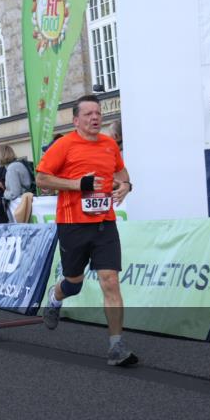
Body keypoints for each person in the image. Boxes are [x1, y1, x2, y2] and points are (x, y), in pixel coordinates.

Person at [36, 95, 136, 367]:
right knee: (74, 284)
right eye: (89, 113)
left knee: (110, 280)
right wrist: (77, 184)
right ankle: (55, 297)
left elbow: (122, 174)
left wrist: (126, 185)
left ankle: (116, 346)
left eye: (98, 113)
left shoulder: (108, 145)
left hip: (105, 223)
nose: (95, 117)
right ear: (76, 120)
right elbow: (41, 178)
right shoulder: (63, 145)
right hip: (73, 224)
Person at [0, 145, 35, 223]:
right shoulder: (18, 164)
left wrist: (5, 194)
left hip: (20, 205)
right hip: (25, 202)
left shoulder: (12, 168)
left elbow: (14, 193)